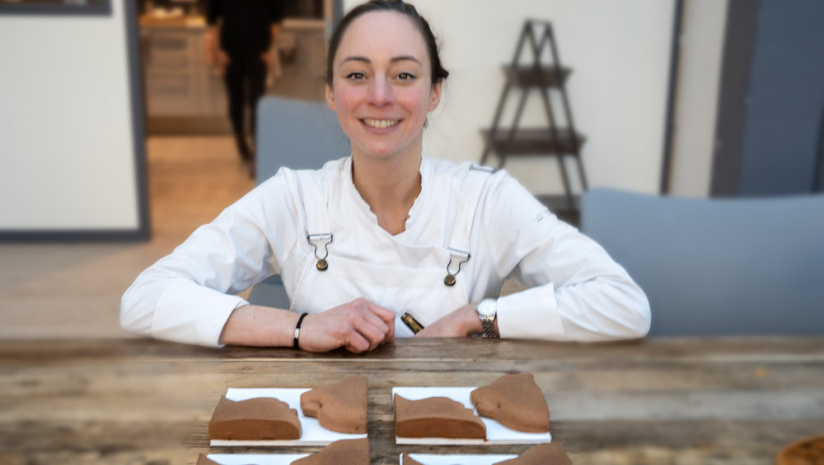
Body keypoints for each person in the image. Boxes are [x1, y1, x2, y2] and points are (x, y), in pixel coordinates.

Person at [121, 0, 651, 353]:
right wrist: (302, 327)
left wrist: (482, 317)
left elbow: (623, 305)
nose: (379, 95)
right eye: (356, 74)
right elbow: (146, 298)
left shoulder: (487, 200)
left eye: (403, 74)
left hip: (451, 436)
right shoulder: (292, 198)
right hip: (321, 437)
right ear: (331, 93)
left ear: (434, 92)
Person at [206, 0, 283, 165]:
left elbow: (276, 20)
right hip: (230, 53)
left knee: (257, 101)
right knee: (236, 100)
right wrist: (218, 51)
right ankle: (240, 142)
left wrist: (270, 50)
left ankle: (257, 147)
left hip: (259, 53)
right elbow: (213, 21)